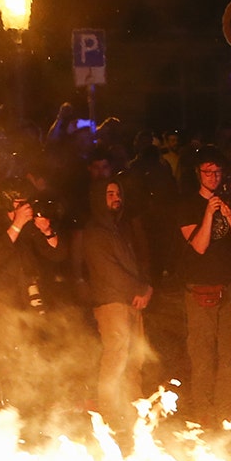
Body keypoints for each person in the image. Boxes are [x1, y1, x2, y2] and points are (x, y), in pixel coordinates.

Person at [73, 175, 152, 435]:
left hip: (131, 301)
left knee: (134, 357)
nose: (116, 198)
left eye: (118, 193)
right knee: (116, 357)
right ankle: (109, 413)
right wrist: (138, 289)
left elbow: (135, 263)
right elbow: (108, 271)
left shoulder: (119, 228)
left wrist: (144, 287)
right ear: (98, 198)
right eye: (109, 194)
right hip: (111, 302)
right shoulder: (95, 231)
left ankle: (132, 411)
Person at [177, 151, 231, 422]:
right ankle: (204, 412)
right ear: (199, 174)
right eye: (208, 172)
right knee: (203, 354)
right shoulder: (187, 204)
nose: (213, 177)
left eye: (217, 172)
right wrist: (208, 212)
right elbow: (199, 245)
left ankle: (225, 410)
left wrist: (230, 215)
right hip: (201, 289)